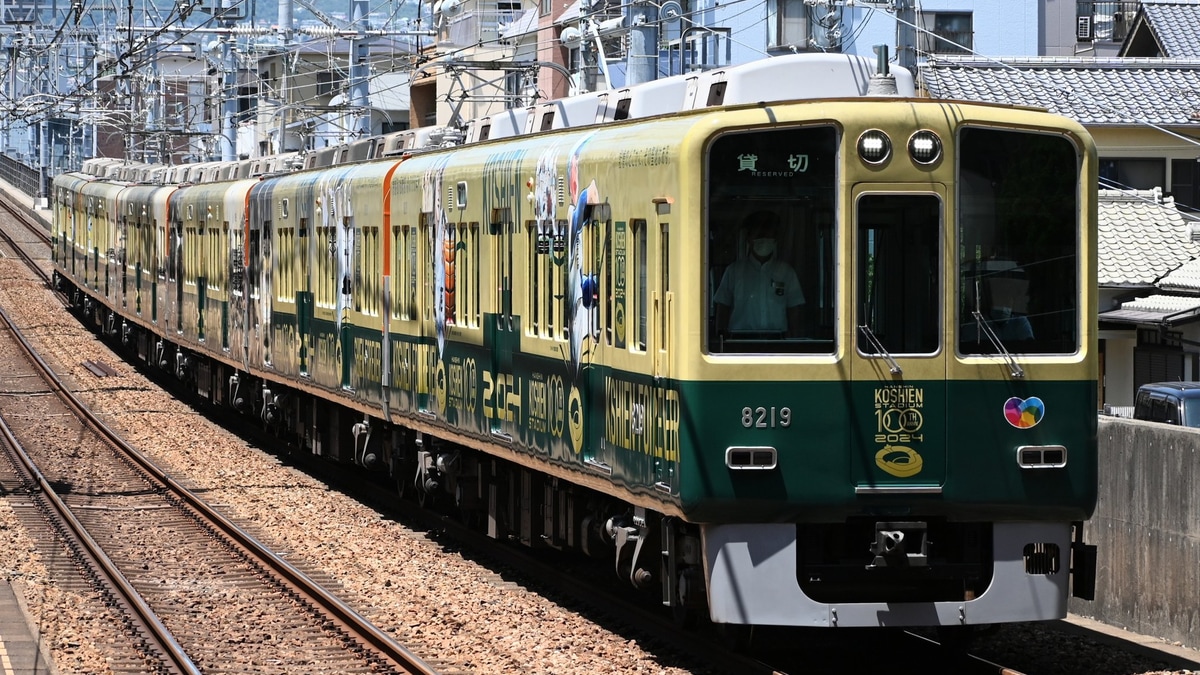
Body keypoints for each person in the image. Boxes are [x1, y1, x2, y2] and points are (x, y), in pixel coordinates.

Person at [713, 211, 805, 338]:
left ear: (775, 239)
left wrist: (795, 339)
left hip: (779, 341)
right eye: (759, 235)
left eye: (768, 235)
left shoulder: (786, 272)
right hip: (740, 342)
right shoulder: (733, 271)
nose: (764, 239)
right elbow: (723, 306)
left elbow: (794, 308)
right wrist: (721, 338)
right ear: (749, 239)